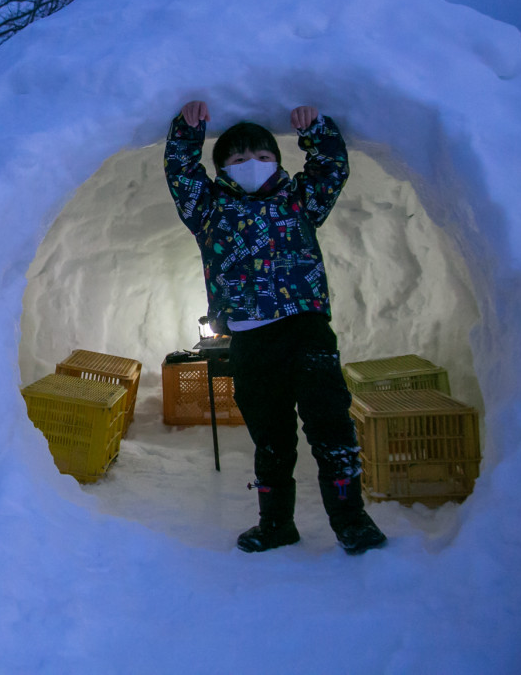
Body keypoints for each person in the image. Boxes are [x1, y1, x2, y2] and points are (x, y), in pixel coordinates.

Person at [164, 100, 387, 555]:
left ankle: (352, 522)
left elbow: (330, 170)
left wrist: (317, 130)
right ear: (222, 166)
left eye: (264, 158)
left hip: (306, 331)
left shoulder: (299, 201)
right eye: (239, 159)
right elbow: (181, 175)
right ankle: (276, 524)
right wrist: (187, 133)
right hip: (250, 340)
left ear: (278, 163)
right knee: (270, 437)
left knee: (330, 428)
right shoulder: (208, 210)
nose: (253, 166)